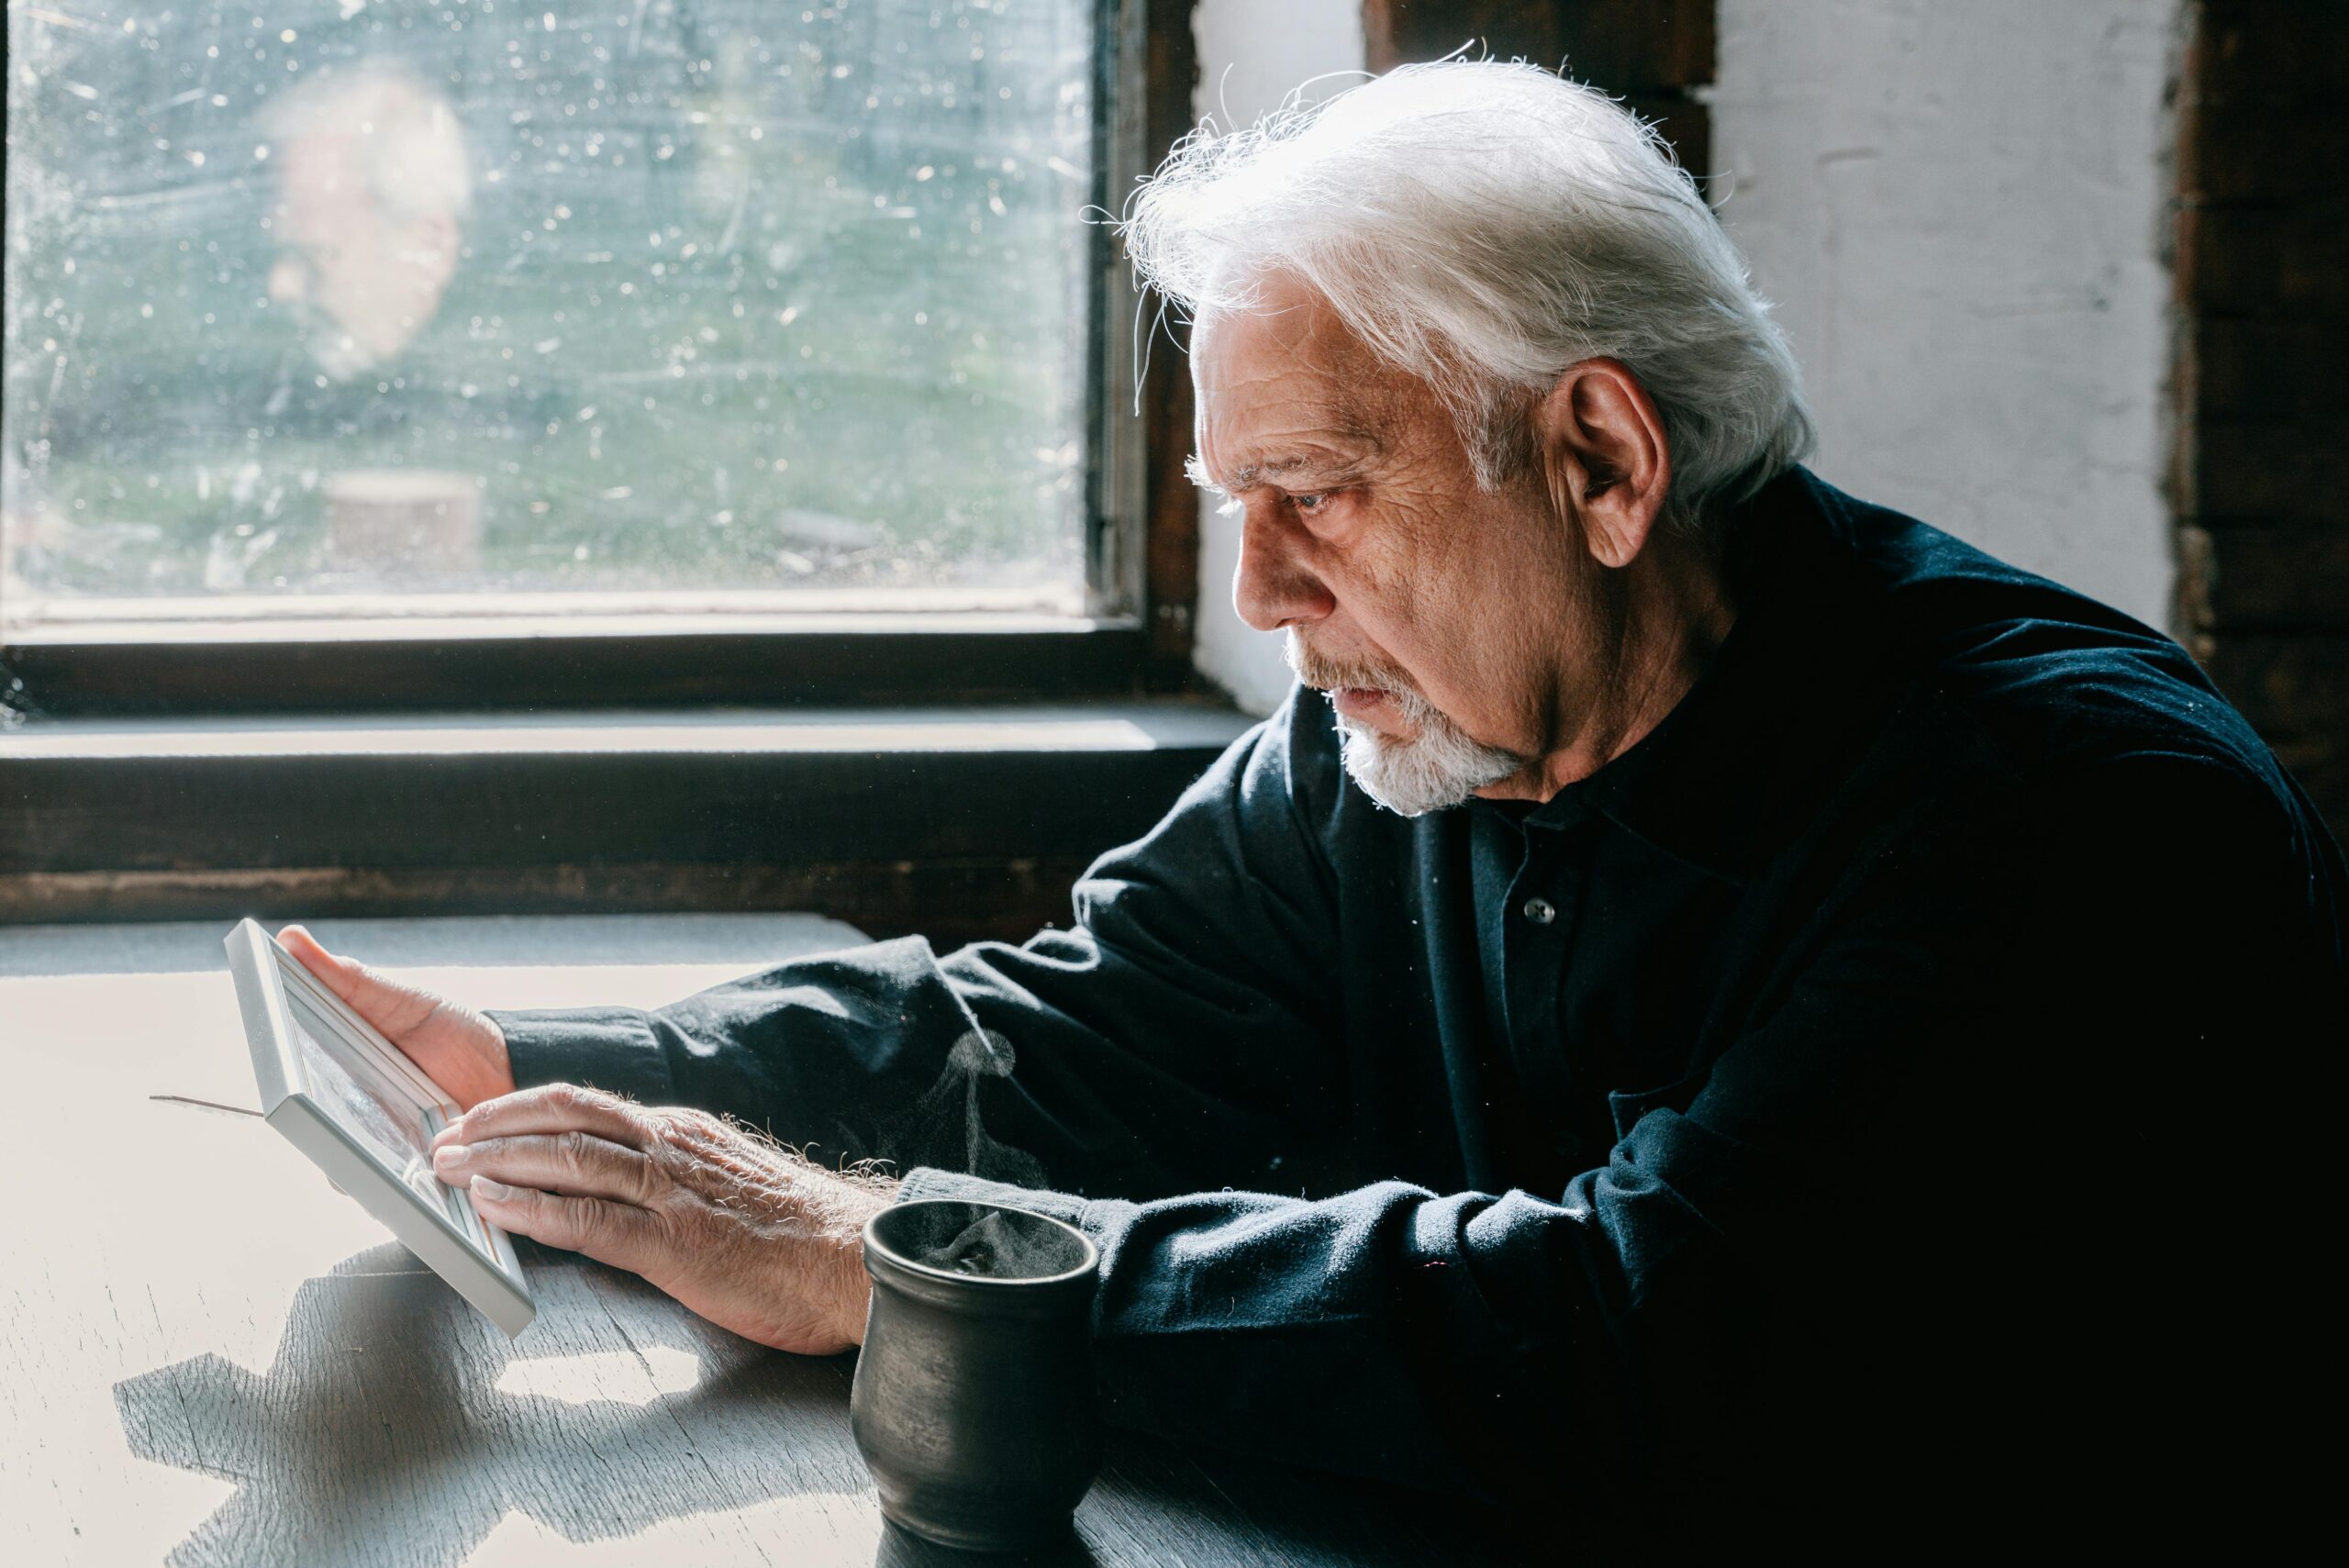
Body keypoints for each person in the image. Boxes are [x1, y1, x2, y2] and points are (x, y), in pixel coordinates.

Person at [283, 62, 2343, 1547]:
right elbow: (1068, 1034)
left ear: (1601, 464)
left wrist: (901, 1262)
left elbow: (1642, 1340)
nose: (1262, 600)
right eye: (1228, 510)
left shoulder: (2072, 818)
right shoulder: (1416, 724)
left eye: (1318, 498)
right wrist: (545, 1079)